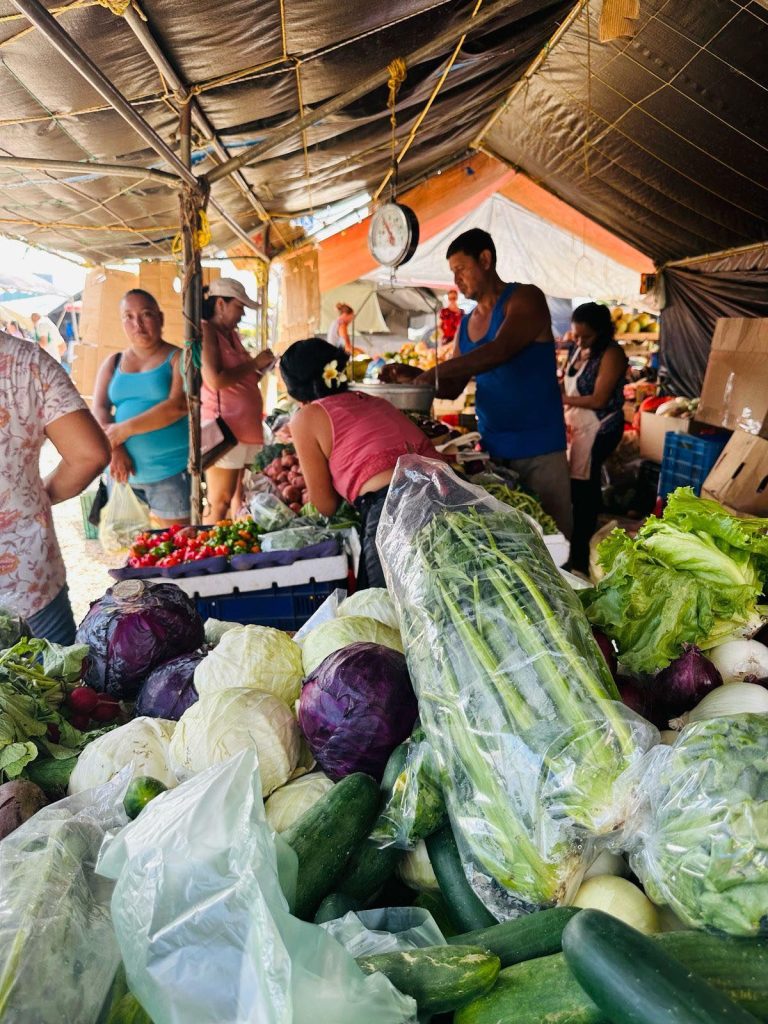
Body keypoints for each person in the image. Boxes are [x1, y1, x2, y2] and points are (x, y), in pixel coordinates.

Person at [384, 228, 572, 537]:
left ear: (485, 259)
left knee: (553, 537)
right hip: (494, 448)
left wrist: (433, 372)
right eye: (452, 273)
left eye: (460, 269)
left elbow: (499, 351)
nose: (456, 280)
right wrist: (412, 378)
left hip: (540, 448)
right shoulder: (467, 324)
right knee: (514, 539)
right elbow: (454, 386)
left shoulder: (526, 298)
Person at [279, 338, 442, 589]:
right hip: (446, 492)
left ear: (294, 389)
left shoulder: (306, 417)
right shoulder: (373, 400)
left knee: (391, 611)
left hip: (394, 508)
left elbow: (326, 505)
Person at [0, 328, 110, 644]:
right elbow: (90, 454)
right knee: (53, 684)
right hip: (28, 579)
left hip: (31, 583)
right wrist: (37, 497)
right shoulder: (27, 362)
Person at [93, 289, 191, 526]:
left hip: (169, 471)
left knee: (178, 547)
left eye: (146, 314)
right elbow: (99, 407)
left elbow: (178, 405)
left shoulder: (179, 358)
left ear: (161, 318)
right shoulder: (113, 362)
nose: (137, 324)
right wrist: (115, 448)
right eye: (128, 316)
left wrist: (124, 430)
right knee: (130, 549)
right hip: (122, 474)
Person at [201, 277, 275, 522]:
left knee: (237, 497)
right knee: (219, 501)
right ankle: (207, 553)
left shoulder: (231, 335)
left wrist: (261, 368)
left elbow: (243, 380)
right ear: (220, 304)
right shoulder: (207, 331)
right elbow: (215, 380)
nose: (242, 315)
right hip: (225, 430)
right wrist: (254, 363)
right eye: (239, 307)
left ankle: (228, 550)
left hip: (243, 430)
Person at [561, 302, 628, 575]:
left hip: (600, 427)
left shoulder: (612, 354)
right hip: (577, 424)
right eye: (576, 335)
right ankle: (577, 546)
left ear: (602, 331)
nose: (578, 340)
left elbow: (600, 398)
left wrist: (560, 399)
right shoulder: (578, 349)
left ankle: (582, 554)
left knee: (585, 489)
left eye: (585, 336)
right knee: (577, 486)